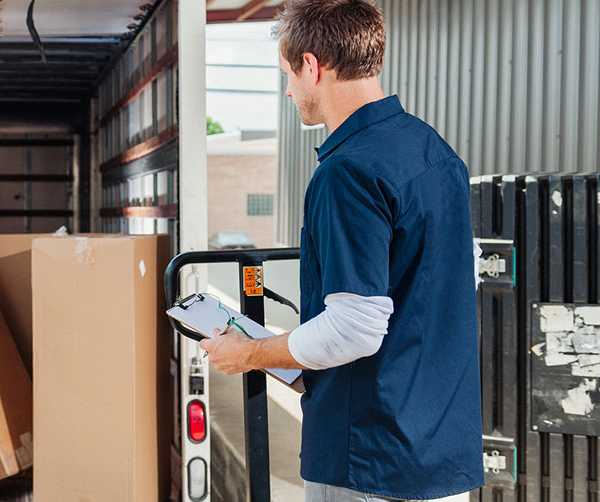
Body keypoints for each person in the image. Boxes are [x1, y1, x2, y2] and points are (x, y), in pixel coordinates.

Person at [199, 1, 484, 500]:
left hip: (369, 463)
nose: (288, 90)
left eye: (288, 74)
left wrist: (248, 353)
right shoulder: (436, 153)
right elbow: (443, 285)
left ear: (312, 65)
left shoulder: (347, 171)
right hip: (439, 458)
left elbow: (353, 329)